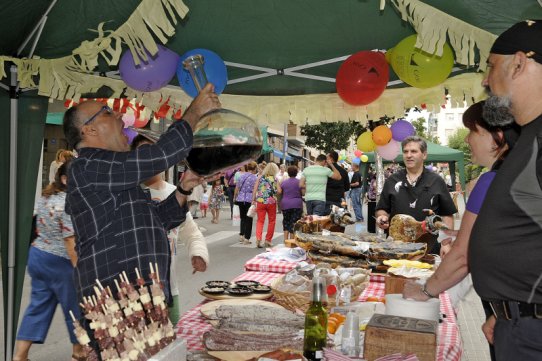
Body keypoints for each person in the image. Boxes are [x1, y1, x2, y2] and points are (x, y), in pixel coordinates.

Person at [62, 83, 220, 305]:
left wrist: (184, 188)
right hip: (118, 305)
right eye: (107, 112)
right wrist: (195, 112)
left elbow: (156, 221)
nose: (118, 114)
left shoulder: (113, 173)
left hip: (143, 299)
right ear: (90, 130)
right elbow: (159, 155)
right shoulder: (87, 166)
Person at [402, 102, 520, 361]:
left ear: (497, 137)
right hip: (512, 309)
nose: (467, 139)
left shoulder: (491, 181)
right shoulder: (516, 175)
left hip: (521, 319)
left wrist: (424, 291)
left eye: (472, 131)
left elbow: (462, 256)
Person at [466, 20, 542, 360]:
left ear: (520, 63)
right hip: (520, 323)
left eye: (491, 66)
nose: (485, 80)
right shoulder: (528, 137)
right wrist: (512, 309)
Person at [131, 135, 209, 325]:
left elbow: (191, 233)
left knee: (171, 345)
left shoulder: (175, 193)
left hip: (168, 290)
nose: (150, 159)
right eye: (143, 154)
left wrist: (198, 253)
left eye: (155, 154)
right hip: (133, 293)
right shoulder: (127, 194)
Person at [13, 161, 85, 361]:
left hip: (37, 255)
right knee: (75, 308)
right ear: (64, 179)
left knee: (38, 306)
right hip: (59, 261)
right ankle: (79, 352)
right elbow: (69, 240)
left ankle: (20, 356)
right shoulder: (69, 203)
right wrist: (78, 268)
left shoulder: (46, 197)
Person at [375, 136, 456, 254]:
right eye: (405, 151)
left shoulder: (436, 181)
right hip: (397, 248)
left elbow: (447, 215)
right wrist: (382, 217)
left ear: (424, 155)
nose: (408, 155)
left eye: (413, 151)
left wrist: (446, 243)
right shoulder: (392, 180)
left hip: (429, 246)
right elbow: (382, 209)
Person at [252, 162, 279, 248]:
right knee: (272, 221)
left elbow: (255, 189)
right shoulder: (275, 179)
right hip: (271, 202)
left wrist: (253, 199)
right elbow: (279, 191)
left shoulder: (260, 177)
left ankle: (258, 239)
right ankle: (268, 240)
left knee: (260, 221)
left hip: (260, 201)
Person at [234, 161, 258, 245]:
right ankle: (247, 238)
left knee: (243, 218)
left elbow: (237, 187)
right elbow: (256, 190)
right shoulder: (255, 178)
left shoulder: (241, 176)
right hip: (249, 199)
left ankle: (242, 235)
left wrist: (235, 197)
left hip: (240, 198)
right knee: (249, 219)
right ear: (254, 169)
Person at [277, 165, 303, 241]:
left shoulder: (284, 182)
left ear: (288, 173)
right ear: (296, 173)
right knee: (294, 223)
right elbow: (303, 193)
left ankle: (285, 240)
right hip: (297, 205)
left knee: (286, 221)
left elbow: (280, 192)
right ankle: (291, 241)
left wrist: (278, 183)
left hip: (286, 204)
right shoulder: (299, 182)